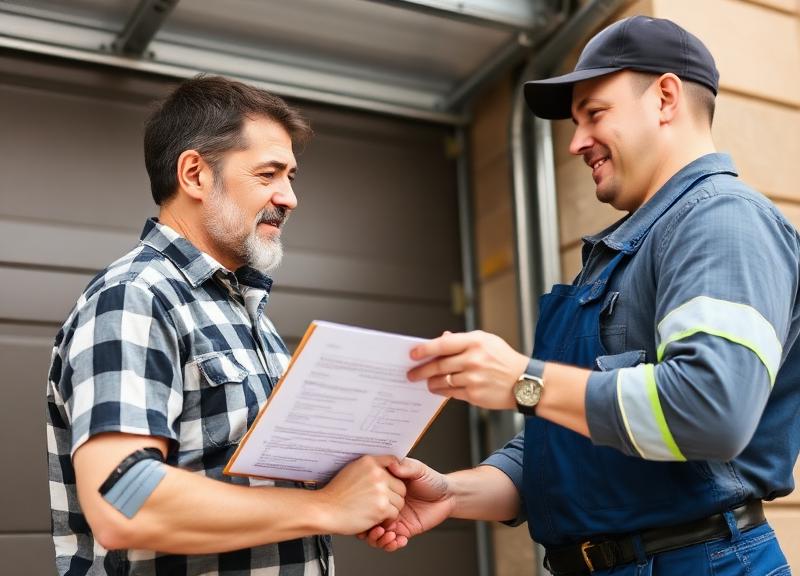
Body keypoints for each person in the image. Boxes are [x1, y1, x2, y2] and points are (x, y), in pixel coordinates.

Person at [363, 15, 800, 575]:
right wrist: (451, 492)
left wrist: (524, 381)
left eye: (595, 114)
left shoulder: (722, 220)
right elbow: (569, 447)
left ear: (665, 97)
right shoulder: (628, 250)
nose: (575, 143)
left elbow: (710, 410)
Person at [46, 75, 406, 575]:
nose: (289, 198)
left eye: (291, 177)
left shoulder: (244, 309)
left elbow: (256, 488)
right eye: (268, 174)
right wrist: (325, 508)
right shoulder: (135, 297)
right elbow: (121, 499)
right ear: (194, 174)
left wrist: (359, 489)